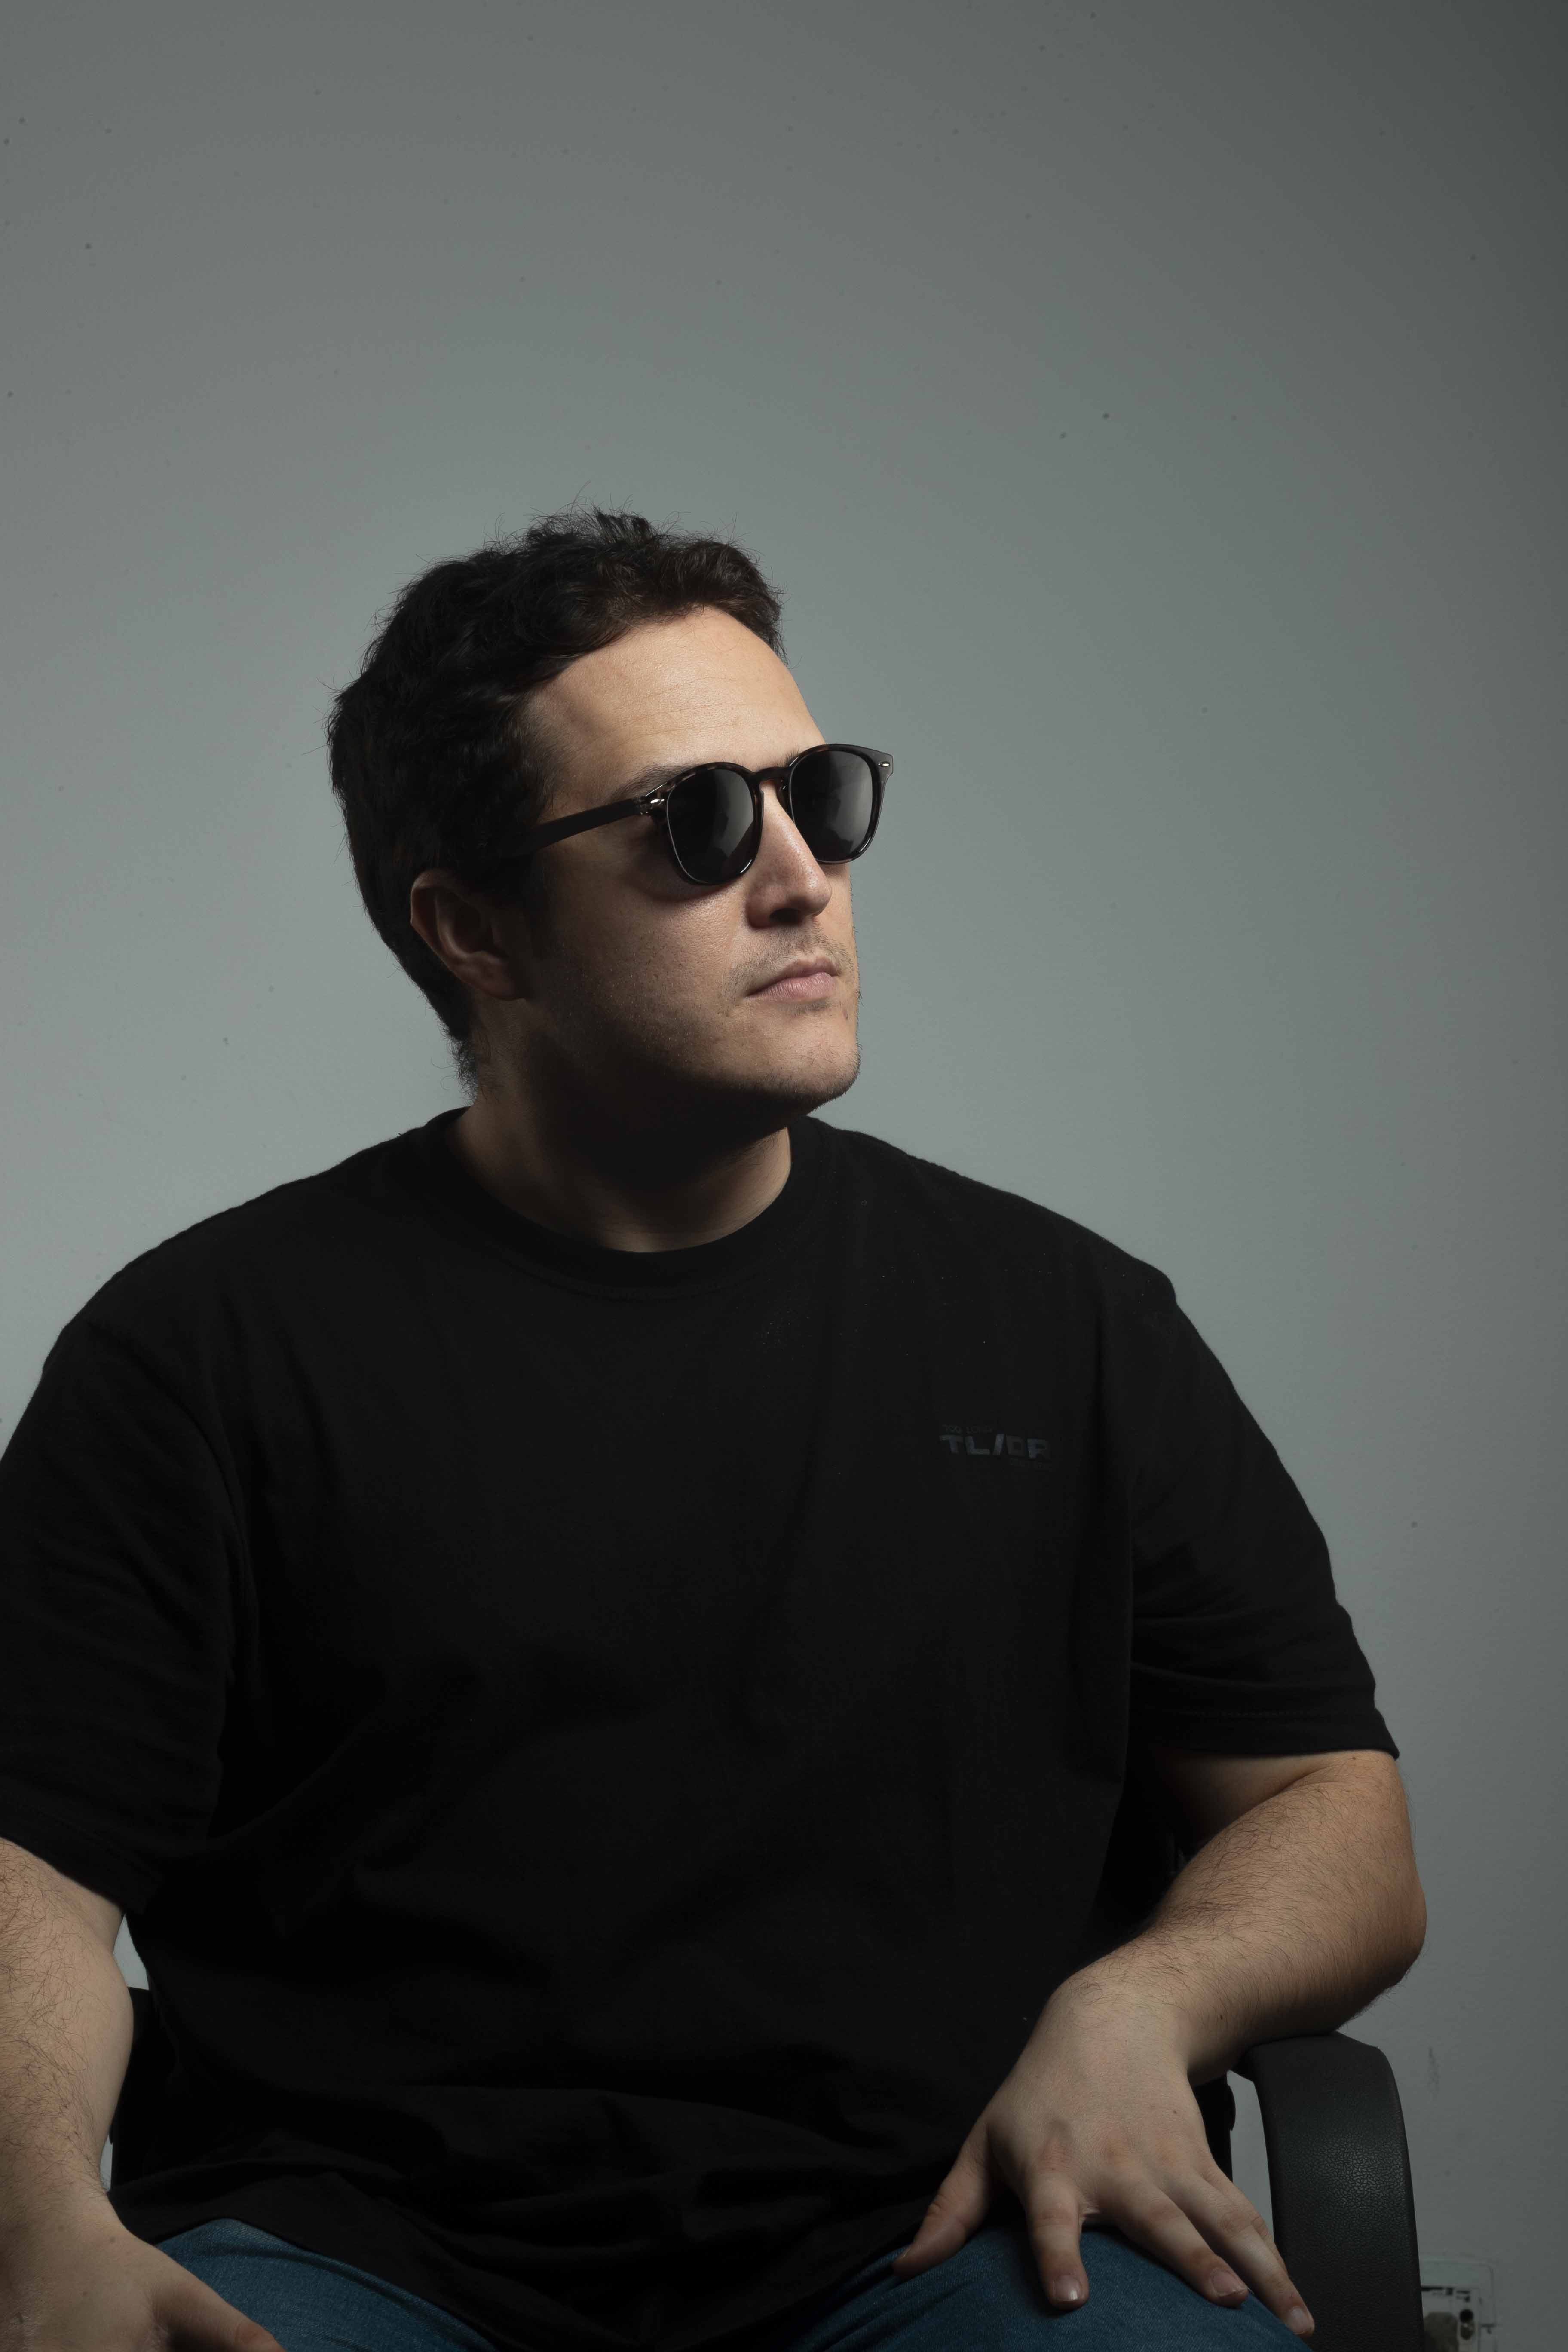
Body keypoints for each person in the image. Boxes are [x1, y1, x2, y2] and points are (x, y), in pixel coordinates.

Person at [0, 506, 1424, 2352]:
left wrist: (1143, 2003)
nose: (803, 880)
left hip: (951, 2241)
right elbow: (29, 1870)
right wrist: (39, 2219)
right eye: (699, 824)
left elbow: (1332, 1811)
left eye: (817, 797)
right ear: (473, 928)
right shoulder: (203, 1355)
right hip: (358, 2264)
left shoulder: (1069, 1325)